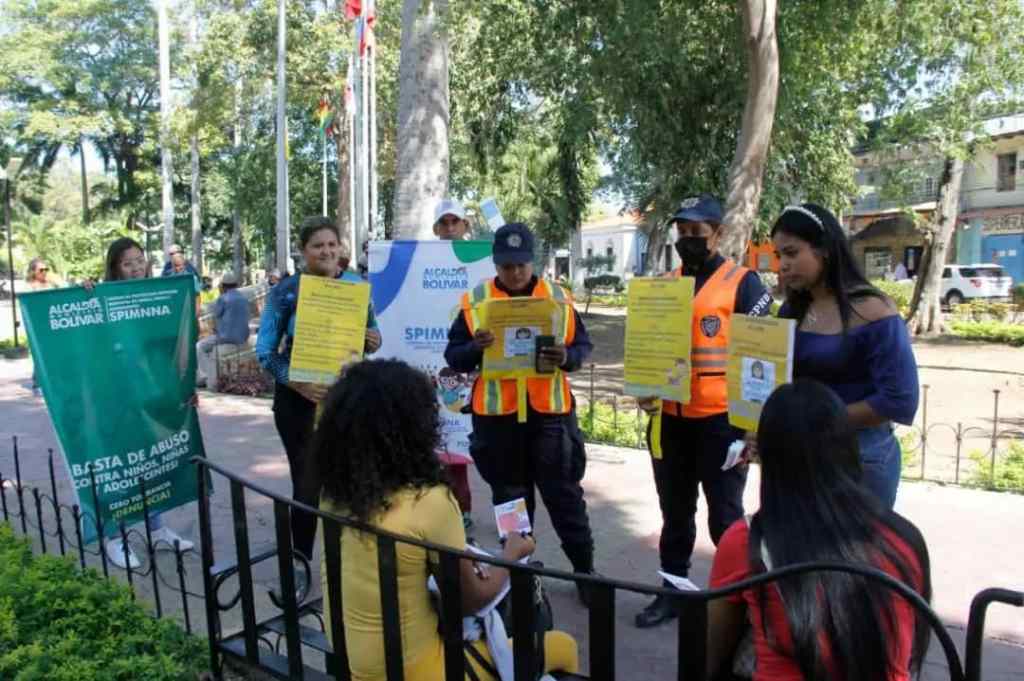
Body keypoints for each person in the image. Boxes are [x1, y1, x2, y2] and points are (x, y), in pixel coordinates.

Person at [314, 359, 579, 681]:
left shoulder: (335, 491)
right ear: (417, 426)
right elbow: (470, 601)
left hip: (350, 655)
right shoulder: (431, 501)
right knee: (563, 646)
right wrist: (512, 555)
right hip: (417, 670)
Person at [707, 380, 931, 681]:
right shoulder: (905, 539)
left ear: (769, 456)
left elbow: (709, 653)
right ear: (849, 446)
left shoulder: (747, 540)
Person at [635, 194, 773, 629]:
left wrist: (754, 425)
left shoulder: (744, 284)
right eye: (683, 230)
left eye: (697, 230)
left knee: (725, 517)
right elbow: (652, 350)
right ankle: (673, 591)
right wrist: (646, 386)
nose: (688, 238)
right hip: (671, 421)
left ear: (719, 233)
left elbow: (763, 357)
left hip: (721, 423)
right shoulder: (665, 285)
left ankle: (740, 601)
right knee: (674, 514)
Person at [444, 223, 596, 601]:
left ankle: (585, 573)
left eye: (522, 264)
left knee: (565, 499)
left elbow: (583, 345)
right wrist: (475, 348)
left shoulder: (558, 297)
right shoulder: (475, 300)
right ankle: (520, 575)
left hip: (550, 417)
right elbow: (454, 356)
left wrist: (568, 357)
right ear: (496, 263)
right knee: (511, 502)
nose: (514, 272)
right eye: (507, 265)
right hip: (498, 421)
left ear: (534, 261)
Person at [255, 216, 382, 586]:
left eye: (332, 244)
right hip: (298, 401)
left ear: (341, 247)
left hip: (346, 399)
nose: (326, 251)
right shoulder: (287, 292)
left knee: (350, 478)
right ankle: (300, 562)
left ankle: (350, 560)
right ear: (303, 251)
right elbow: (265, 350)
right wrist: (296, 383)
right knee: (308, 483)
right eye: (317, 245)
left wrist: (374, 340)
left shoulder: (358, 286)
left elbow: (372, 337)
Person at [772, 203, 918, 508]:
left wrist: (820, 420)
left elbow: (899, 398)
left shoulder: (874, 311)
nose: (782, 265)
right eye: (779, 256)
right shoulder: (791, 311)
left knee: (855, 554)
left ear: (824, 249)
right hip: (801, 456)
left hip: (861, 458)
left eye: (791, 253)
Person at [100, 237, 195, 568]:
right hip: (117, 396)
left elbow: (174, 344)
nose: (136, 267)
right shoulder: (102, 299)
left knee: (153, 462)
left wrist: (184, 386)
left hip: (153, 393)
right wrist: (87, 291)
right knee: (119, 466)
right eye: (128, 263)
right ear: (114, 268)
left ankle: (157, 530)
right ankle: (115, 537)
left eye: (139, 260)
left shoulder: (157, 295)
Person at [432, 198, 474, 529]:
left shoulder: (483, 263)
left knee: (460, 448)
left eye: (454, 222)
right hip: (429, 364)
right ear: (435, 229)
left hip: (465, 367)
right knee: (431, 446)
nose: (449, 229)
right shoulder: (421, 261)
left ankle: (465, 512)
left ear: (465, 226)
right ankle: (435, 514)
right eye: (443, 223)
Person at [195, 272, 250, 389]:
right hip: (243, 336)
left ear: (223, 286)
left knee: (199, 346)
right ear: (236, 285)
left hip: (226, 337)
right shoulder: (244, 298)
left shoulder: (223, 299)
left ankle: (204, 377)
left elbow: (216, 316)